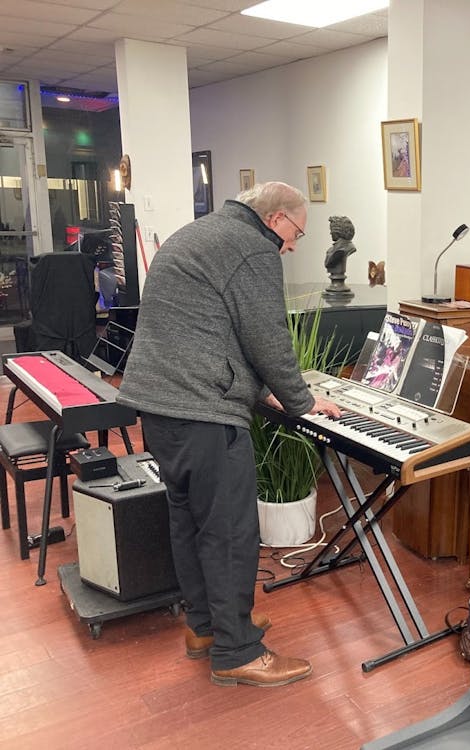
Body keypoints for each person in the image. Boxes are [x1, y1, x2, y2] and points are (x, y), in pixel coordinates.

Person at [118, 181, 341, 688]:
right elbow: (267, 336)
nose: (292, 246)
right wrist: (302, 401)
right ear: (278, 219)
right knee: (229, 532)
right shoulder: (251, 248)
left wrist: (265, 395)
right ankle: (238, 650)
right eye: (296, 235)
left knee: (190, 523)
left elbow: (211, 329)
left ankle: (206, 628)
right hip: (203, 413)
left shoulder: (199, 233)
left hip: (159, 407)